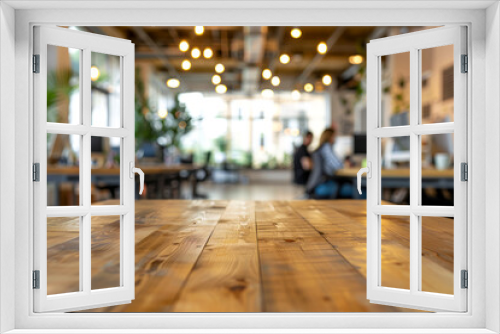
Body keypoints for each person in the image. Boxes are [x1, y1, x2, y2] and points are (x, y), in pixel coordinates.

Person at [306, 127, 349, 198]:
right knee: (357, 190)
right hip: (322, 184)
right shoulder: (326, 147)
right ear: (330, 137)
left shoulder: (323, 148)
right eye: (335, 136)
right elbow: (338, 165)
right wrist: (345, 163)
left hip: (319, 183)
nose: (336, 139)